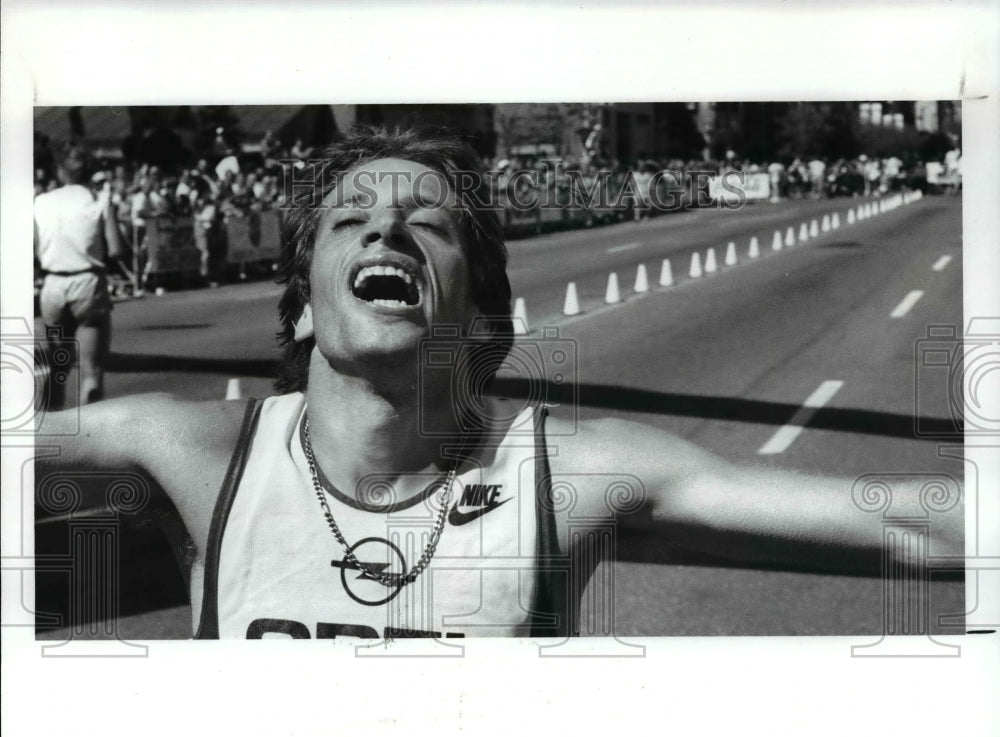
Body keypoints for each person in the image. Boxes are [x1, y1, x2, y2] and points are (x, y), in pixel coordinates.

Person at [36, 127, 962, 640]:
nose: (384, 233)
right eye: (349, 219)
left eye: (424, 225)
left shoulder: (555, 471)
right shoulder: (194, 451)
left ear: (483, 319)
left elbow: (907, 518)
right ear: (307, 309)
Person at [34, 147, 124, 408]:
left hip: (52, 284)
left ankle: (52, 435)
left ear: (60, 171)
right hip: (87, 282)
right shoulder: (99, 199)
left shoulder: (41, 202)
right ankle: (88, 437)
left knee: (57, 368)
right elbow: (116, 249)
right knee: (91, 371)